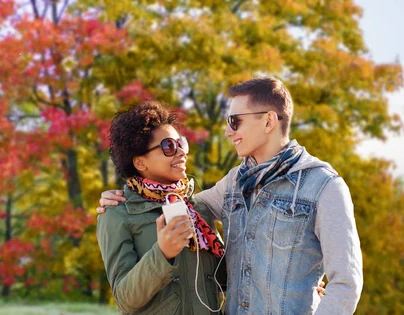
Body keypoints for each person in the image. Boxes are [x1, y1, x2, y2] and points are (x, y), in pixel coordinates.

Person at [98, 77, 362, 314]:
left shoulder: (324, 186)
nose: (228, 131)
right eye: (169, 146)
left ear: (269, 121)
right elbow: (184, 208)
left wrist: (305, 290)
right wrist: (123, 196)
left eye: (236, 121)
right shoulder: (233, 183)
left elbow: (346, 284)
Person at [98, 100, 226, 314]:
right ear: (140, 163)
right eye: (169, 147)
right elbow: (124, 299)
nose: (182, 152)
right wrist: (163, 253)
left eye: (181, 144)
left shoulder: (198, 208)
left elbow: (225, 280)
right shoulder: (117, 213)